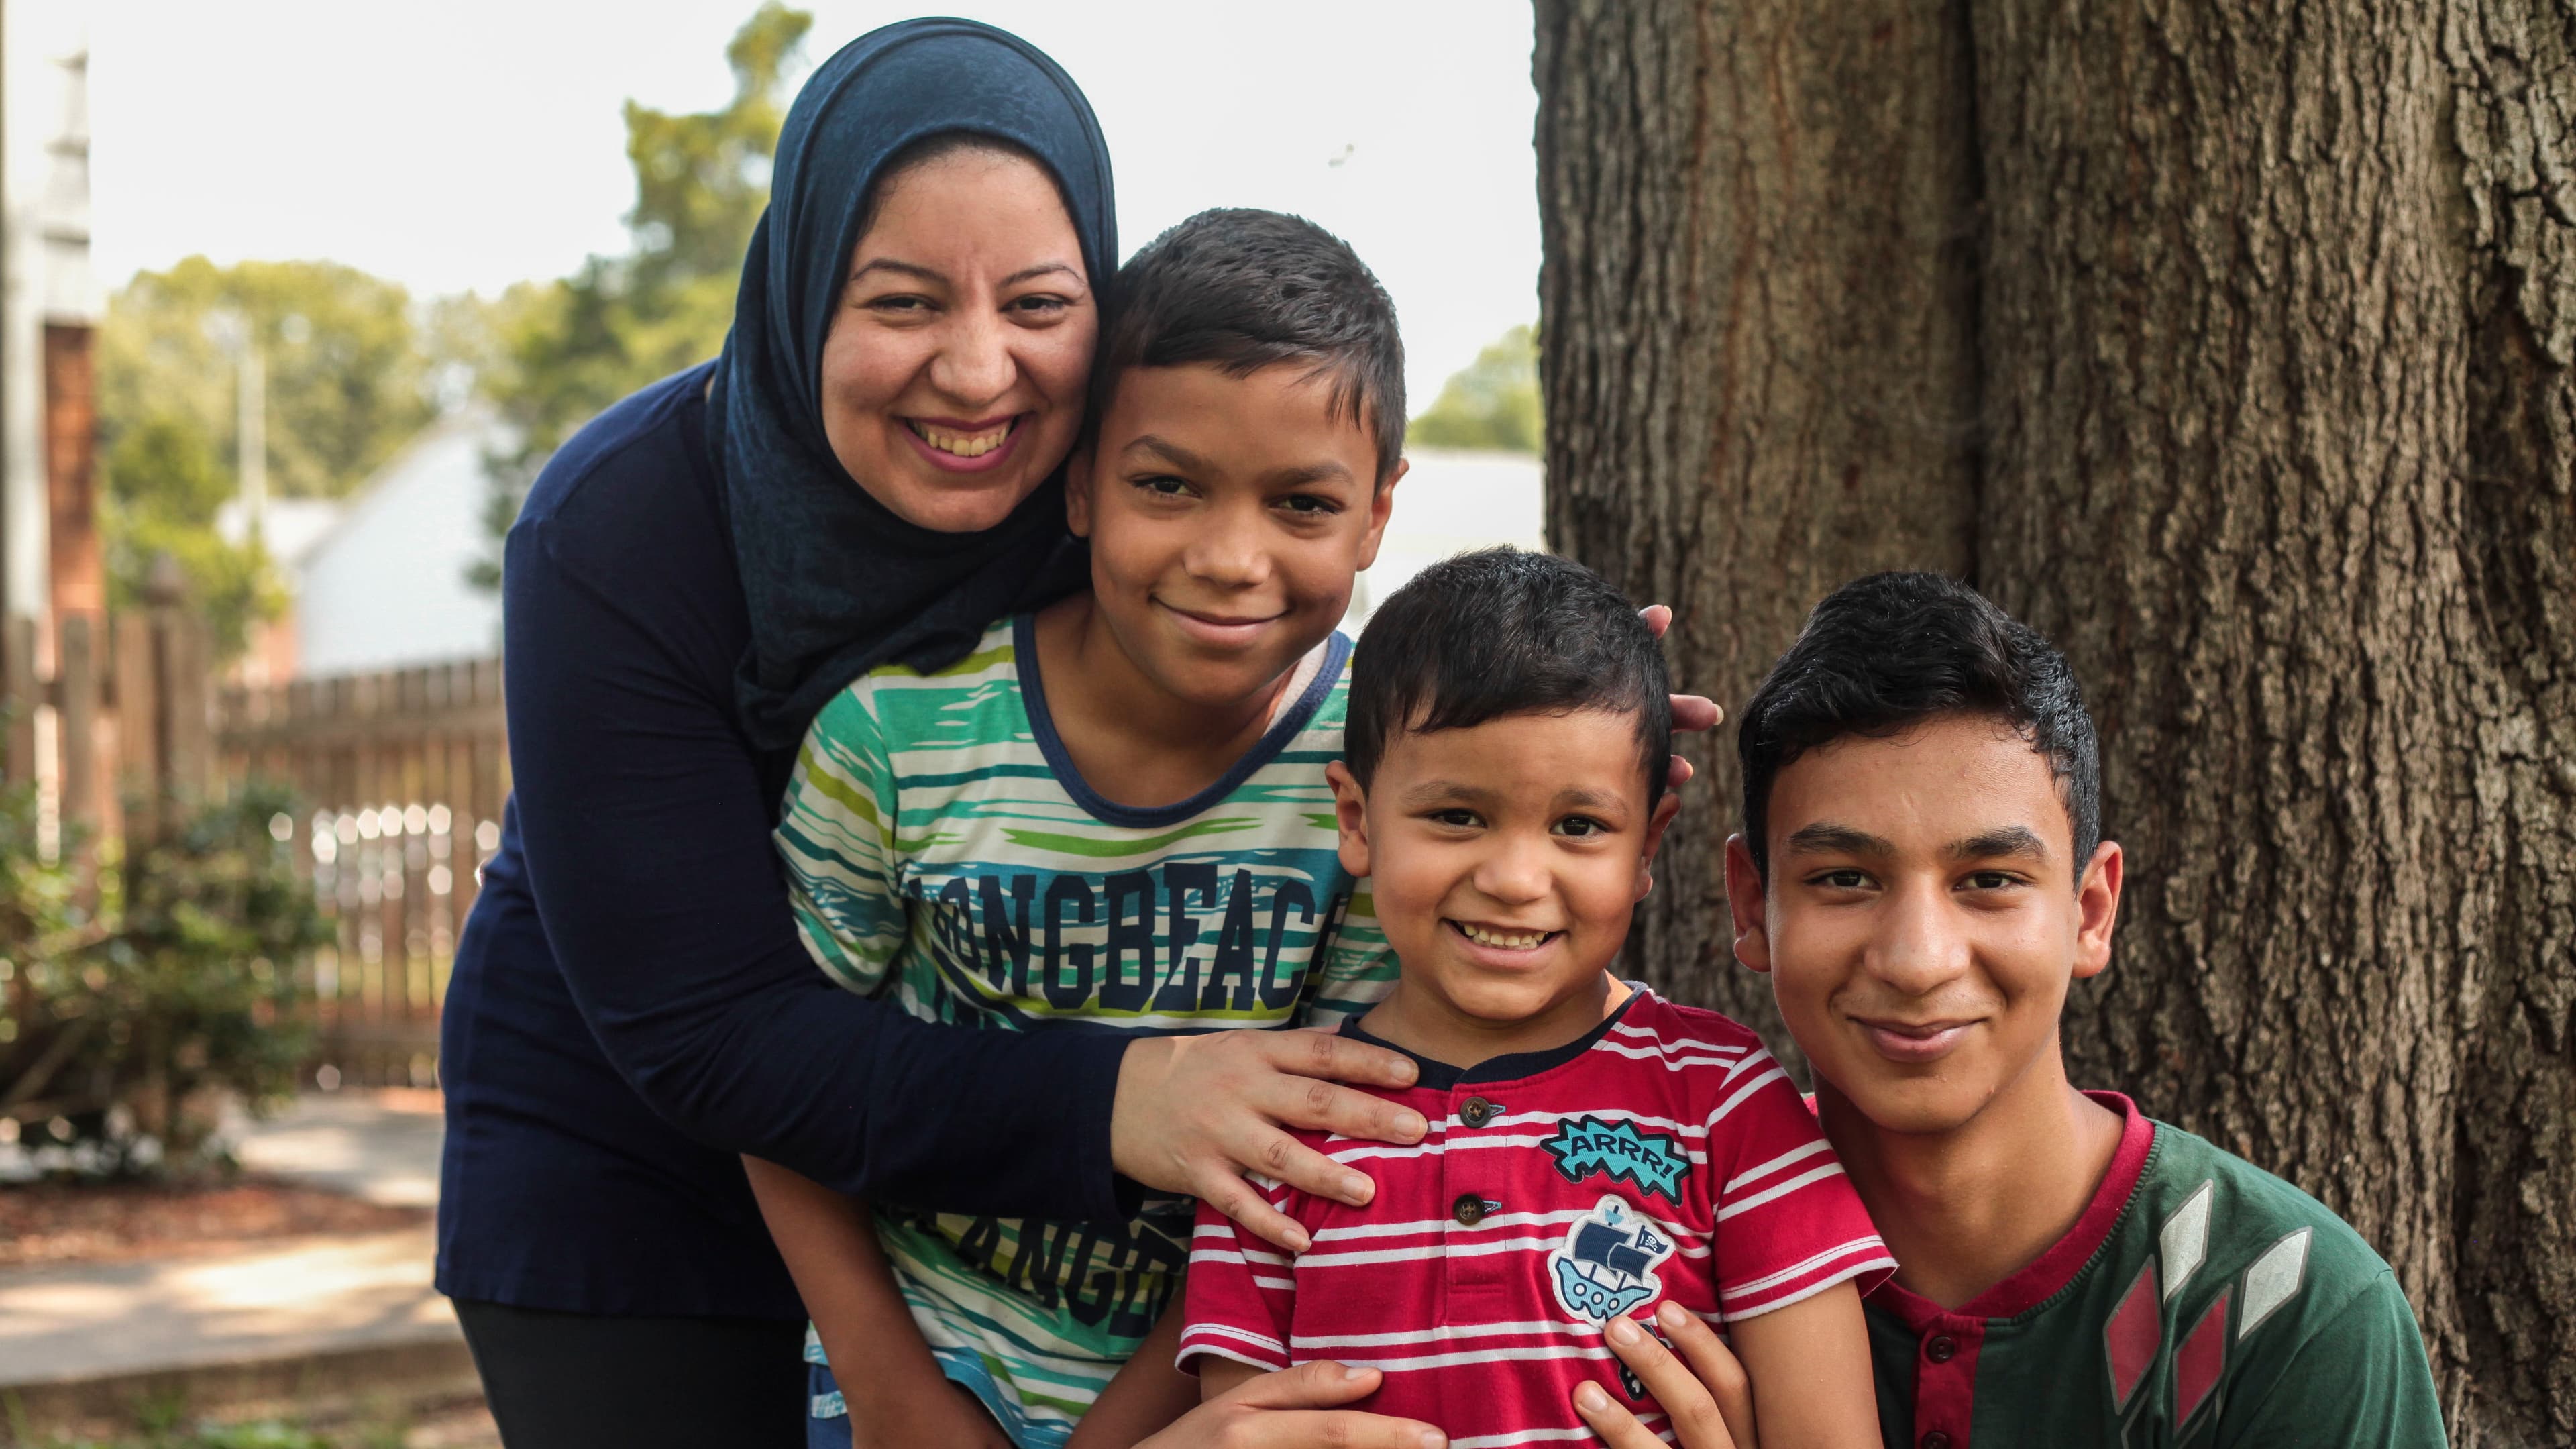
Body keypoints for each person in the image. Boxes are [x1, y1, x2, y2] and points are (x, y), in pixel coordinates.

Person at [435, 21, 1442, 1446]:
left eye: (1038, 303)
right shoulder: (614, 532)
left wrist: (1545, 691)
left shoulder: (1114, 477)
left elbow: (1297, 526)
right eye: (902, 303)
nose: (977, 376)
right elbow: (714, 1037)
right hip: (644, 1141)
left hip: (1010, 1232)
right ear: (801, 296)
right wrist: (1109, 1116)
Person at [743, 207, 1414, 1449]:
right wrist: (896, 1401)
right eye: (1168, 485)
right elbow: (783, 1091)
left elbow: (1322, 1164)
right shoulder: (894, 746)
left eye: (1302, 506)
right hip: (919, 1364)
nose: (1229, 558)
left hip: (1224, 1386)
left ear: (1378, 513)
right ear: (1080, 483)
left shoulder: (1383, 774)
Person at [1690, 572, 2445, 1446]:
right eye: (1846, 879)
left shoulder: (2284, 1311)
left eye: (1990, 882)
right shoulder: (1651, 1249)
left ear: (2090, 912)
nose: (1917, 959)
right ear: (1753, 907)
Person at [1180, 549, 1892, 1448]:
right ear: (1357, 821)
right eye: (1456, 815)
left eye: (1578, 826)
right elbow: (1237, 1431)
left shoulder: (1726, 1104)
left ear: (1647, 846)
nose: (1516, 879)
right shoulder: (1278, 1135)